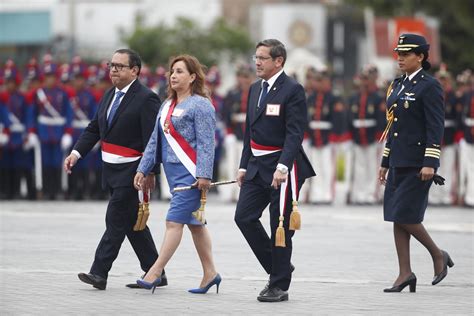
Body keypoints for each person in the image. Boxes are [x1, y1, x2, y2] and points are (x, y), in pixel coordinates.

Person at [64, 48, 165, 290]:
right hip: (110, 169)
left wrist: (151, 172)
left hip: (133, 172)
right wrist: (76, 153)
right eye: (112, 65)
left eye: (120, 66)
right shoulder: (110, 94)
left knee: (115, 219)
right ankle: (155, 271)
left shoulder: (146, 98)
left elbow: (153, 139)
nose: (113, 70)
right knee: (132, 223)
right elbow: (94, 128)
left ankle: (99, 273)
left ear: (135, 70)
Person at [234, 39, 315, 302]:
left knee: (279, 226)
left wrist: (282, 166)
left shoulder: (292, 89)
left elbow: (295, 133)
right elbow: (250, 131)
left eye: (262, 58)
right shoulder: (256, 88)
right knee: (244, 217)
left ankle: (278, 285)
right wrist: (243, 164)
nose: (256, 62)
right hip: (257, 167)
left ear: (278, 61)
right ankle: (278, 266)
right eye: (255, 57)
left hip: (284, 168)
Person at [133, 54, 220, 294]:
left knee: (173, 222)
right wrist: (144, 167)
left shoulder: (201, 104)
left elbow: (205, 143)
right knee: (195, 224)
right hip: (172, 173)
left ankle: (154, 271)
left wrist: (204, 174)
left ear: (193, 77)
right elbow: (154, 140)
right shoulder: (166, 105)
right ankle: (210, 273)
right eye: (172, 71)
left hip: (191, 174)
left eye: (180, 71)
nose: (173, 75)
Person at [379, 34, 454, 293]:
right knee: (396, 216)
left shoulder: (429, 86)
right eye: (398, 53)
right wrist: (385, 160)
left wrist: (431, 162)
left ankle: (437, 254)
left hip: (418, 162)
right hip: (399, 159)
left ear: (420, 57)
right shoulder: (397, 85)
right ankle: (405, 273)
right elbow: (393, 126)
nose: (399, 57)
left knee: (405, 214)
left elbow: (435, 125)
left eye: (406, 54)